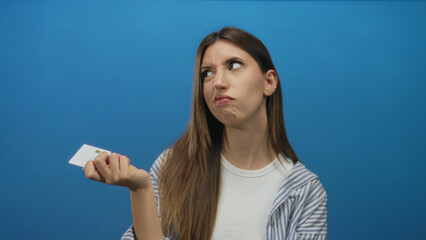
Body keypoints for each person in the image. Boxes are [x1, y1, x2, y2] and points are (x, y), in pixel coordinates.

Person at [84, 27, 327, 240]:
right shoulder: (174, 166)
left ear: (269, 82)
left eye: (233, 65)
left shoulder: (305, 192)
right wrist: (140, 190)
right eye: (207, 73)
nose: (217, 82)